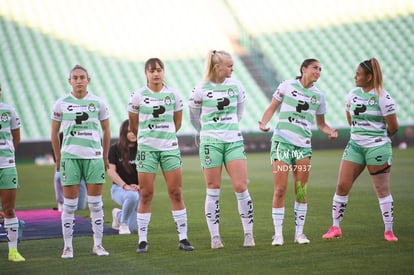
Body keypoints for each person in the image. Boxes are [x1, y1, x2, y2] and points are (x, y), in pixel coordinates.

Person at [259, 58, 338, 246]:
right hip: (282, 143)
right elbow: (272, 107)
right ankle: (278, 234)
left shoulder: (318, 96)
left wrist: (331, 131)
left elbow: (320, 124)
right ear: (303, 69)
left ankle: (299, 234)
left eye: (320, 69)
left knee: (301, 191)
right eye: (314, 68)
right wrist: (263, 123)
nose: (318, 72)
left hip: (303, 146)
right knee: (280, 189)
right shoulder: (287, 85)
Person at [322, 58, 399, 242]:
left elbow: (394, 127)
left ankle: (389, 230)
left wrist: (375, 139)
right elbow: (351, 120)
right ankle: (335, 227)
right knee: (341, 186)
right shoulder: (352, 95)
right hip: (355, 146)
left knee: (381, 189)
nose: (355, 76)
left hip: (377, 147)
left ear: (369, 77)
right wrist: (360, 134)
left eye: (358, 74)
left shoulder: (383, 97)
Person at [189, 50, 255, 249]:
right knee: (213, 188)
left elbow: (239, 112)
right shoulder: (200, 89)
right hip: (210, 142)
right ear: (217, 67)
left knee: (241, 186)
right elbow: (194, 117)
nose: (232, 69)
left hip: (233, 140)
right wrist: (208, 132)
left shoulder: (236, 86)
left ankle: (248, 235)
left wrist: (228, 128)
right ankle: (215, 237)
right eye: (229, 65)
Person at [128, 58, 194, 253]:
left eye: (159, 70)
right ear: (146, 74)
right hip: (147, 149)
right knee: (146, 194)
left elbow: (177, 123)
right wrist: (146, 138)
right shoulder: (138, 96)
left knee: (176, 192)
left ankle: (183, 238)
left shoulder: (173, 95)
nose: (156, 73)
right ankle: (142, 240)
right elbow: (133, 124)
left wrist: (164, 137)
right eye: (152, 70)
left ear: (163, 72)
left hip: (169, 148)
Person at [51, 64, 111, 259]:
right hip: (70, 157)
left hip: (94, 157)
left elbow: (107, 130)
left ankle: (98, 245)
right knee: (69, 205)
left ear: (88, 80)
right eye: (75, 77)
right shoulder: (61, 104)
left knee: (96, 204)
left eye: (82, 77)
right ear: (70, 81)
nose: (78, 80)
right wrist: (58, 157)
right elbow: (53, 132)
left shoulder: (98, 103)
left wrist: (104, 155)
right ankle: (68, 247)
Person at [0, 84, 25, 262]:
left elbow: (16, 138)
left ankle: (13, 251)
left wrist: (7, 154)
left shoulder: (8, 111)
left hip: (7, 165)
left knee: (9, 209)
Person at [108, 119, 140, 235]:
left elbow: (149, 171)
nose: (133, 134)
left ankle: (118, 215)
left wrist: (140, 185)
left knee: (135, 228)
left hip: (139, 189)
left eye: (135, 131)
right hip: (119, 189)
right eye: (130, 131)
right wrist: (125, 186)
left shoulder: (143, 149)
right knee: (131, 195)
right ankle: (123, 225)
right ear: (124, 133)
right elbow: (111, 171)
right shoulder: (114, 149)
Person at [53, 132, 87, 211]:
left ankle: (83, 200)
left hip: (80, 162)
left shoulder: (84, 134)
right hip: (65, 161)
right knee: (58, 178)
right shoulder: (62, 135)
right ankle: (60, 202)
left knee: (80, 207)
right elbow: (54, 148)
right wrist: (58, 160)